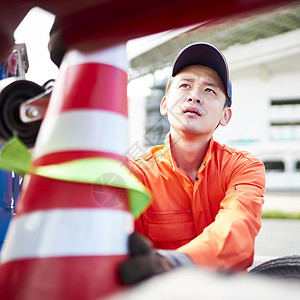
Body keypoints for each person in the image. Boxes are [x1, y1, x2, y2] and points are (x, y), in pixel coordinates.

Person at [119, 42, 266, 284]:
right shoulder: (134, 174)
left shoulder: (244, 166)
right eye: (185, 85)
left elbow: (237, 225)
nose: (194, 96)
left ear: (225, 115)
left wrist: (174, 263)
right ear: (165, 104)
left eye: (209, 91)